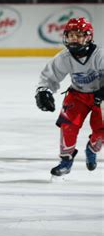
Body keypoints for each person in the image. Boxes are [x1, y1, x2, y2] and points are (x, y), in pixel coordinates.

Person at [35, 17, 103, 176]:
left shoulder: (100, 55)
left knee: (101, 132)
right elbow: (49, 77)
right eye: (71, 35)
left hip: (101, 98)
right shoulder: (64, 57)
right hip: (77, 96)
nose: (74, 39)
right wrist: (44, 91)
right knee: (68, 126)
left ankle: (92, 148)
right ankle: (66, 161)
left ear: (88, 37)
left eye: (78, 35)